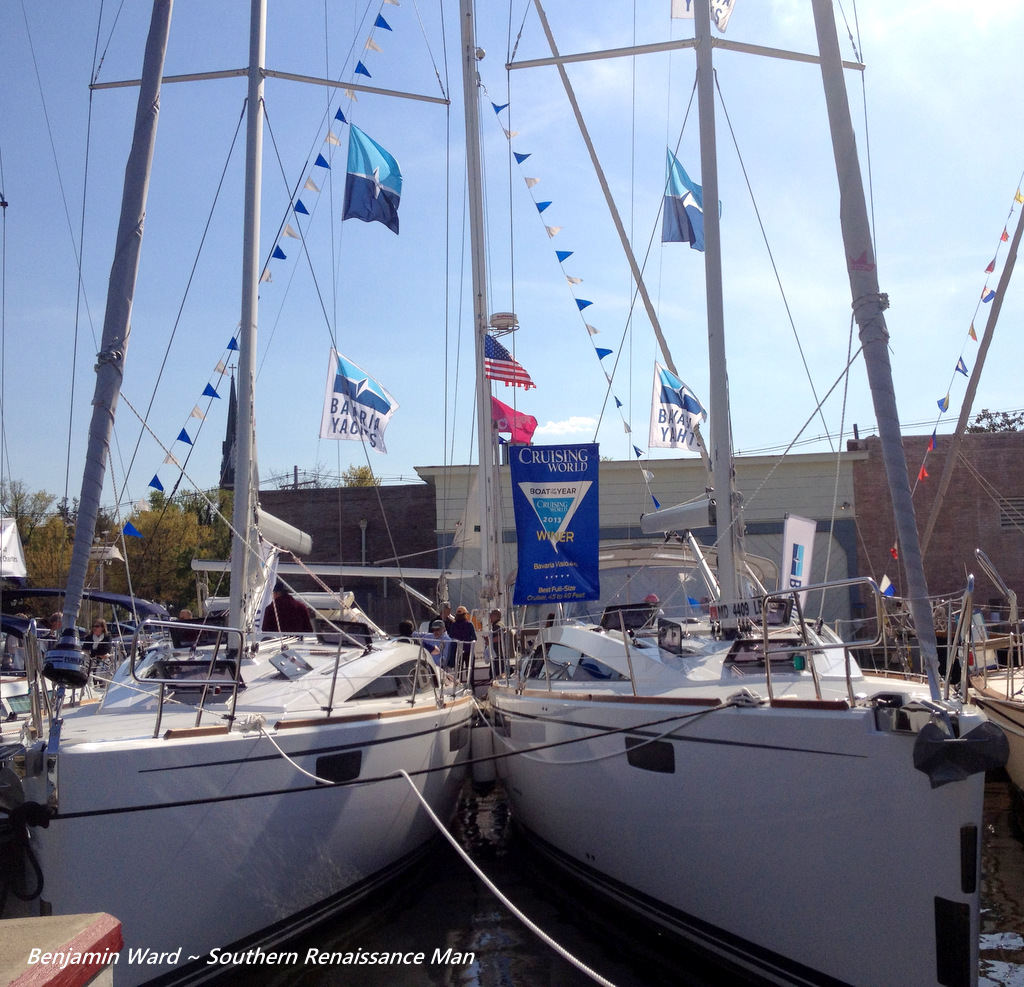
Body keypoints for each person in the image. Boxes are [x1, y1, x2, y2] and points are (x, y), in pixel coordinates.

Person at [448, 606, 477, 686]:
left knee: (458, 674)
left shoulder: (453, 625)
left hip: (458, 652)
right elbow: (474, 637)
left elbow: (451, 637)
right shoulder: (469, 624)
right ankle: (471, 690)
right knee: (470, 674)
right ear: (465, 614)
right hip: (469, 652)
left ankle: (457, 688)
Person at [487, 608, 507, 680]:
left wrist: (489, 641)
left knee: (494, 673)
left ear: (495, 616)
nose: (490, 618)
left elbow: (500, 636)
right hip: (500, 653)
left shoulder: (497, 625)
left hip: (497, 654)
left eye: (491, 616)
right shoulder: (501, 624)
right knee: (498, 671)